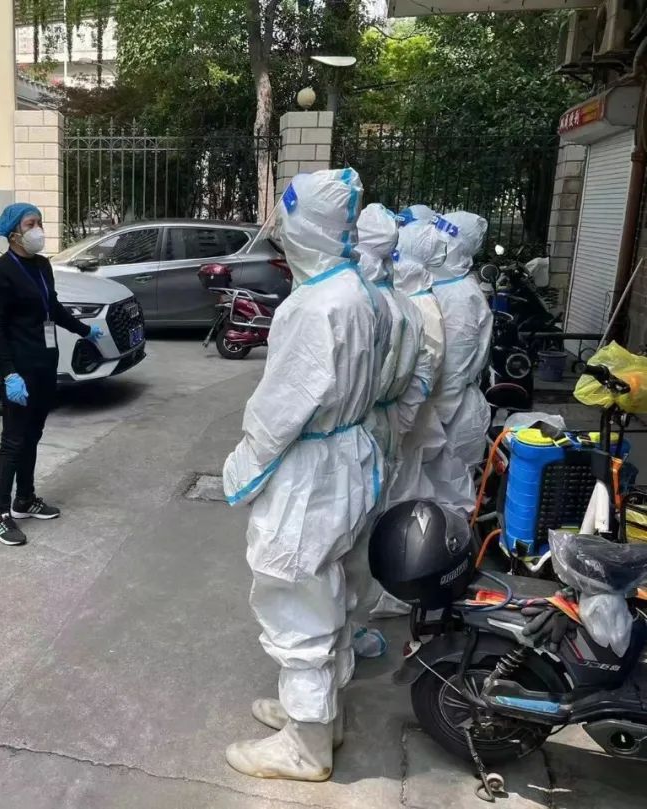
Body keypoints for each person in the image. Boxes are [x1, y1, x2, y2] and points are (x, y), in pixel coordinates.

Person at [222, 168, 387, 782]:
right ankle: (320, 716)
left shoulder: (314, 306)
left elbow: (280, 409)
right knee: (331, 591)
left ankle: (306, 746)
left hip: (312, 470)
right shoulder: (359, 291)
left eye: (287, 222)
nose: (281, 232)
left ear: (305, 228)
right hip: (349, 457)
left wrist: (243, 469)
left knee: (294, 595)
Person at [0, 203, 105, 546]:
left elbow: (52, 307)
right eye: (30, 224)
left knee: (33, 435)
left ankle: (25, 499)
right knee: (13, 440)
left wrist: (84, 330)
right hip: (20, 370)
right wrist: (9, 373)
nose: (38, 229)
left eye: (39, 222)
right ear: (13, 233)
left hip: (44, 363)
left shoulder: (41, 265)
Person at [356, 203, 433, 621]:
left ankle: (352, 619)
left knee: (349, 528)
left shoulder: (358, 305)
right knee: (377, 511)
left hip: (356, 427)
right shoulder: (407, 305)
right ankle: (368, 608)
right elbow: (423, 372)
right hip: (385, 423)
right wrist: (400, 419)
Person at [426, 211, 494, 516]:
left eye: (444, 236)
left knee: (447, 506)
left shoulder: (461, 296)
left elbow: (454, 369)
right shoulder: (444, 285)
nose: (436, 242)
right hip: (443, 410)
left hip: (451, 416)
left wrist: (428, 423)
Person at [386, 214, 448, 508]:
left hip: (411, 414)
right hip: (406, 412)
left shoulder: (423, 305)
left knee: (404, 484)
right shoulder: (413, 298)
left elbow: (427, 369)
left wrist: (402, 418)